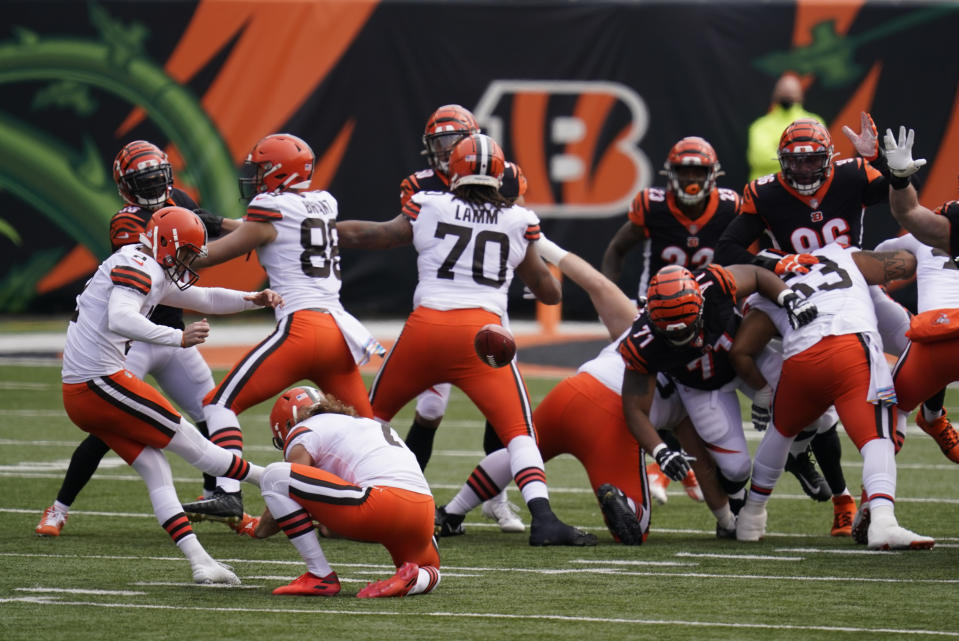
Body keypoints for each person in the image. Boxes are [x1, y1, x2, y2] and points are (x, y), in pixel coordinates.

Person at [337, 133, 596, 546]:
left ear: (453, 171)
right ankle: (543, 518)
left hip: (426, 329)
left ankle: (344, 505)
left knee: (372, 417)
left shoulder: (429, 203)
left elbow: (374, 236)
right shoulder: (517, 220)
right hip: (483, 337)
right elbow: (550, 293)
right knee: (519, 432)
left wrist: (317, 232)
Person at [436, 238, 739, 543]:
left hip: (574, 390)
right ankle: (621, 501)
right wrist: (727, 520)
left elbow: (595, 282)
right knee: (636, 529)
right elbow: (702, 465)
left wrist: (541, 243)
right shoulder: (695, 381)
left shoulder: (642, 327)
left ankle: (451, 512)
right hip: (613, 421)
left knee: (521, 452)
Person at [715, 116, 943, 518]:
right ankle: (776, 415)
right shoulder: (765, 194)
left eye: (811, 161)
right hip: (791, 290)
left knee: (920, 341)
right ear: (782, 162)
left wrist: (890, 168)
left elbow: (897, 197)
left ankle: (922, 416)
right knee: (749, 353)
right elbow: (728, 248)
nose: (803, 170)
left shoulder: (851, 174)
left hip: (849, 284)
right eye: (795, 162)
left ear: (828, 159)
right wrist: (776, 262)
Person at [57, 206, 281, 583]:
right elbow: (120, 318)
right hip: (99, 383)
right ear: (166, 243)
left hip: (85, 390)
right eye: (187, 253)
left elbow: (205, 298)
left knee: (156, 468)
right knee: (196, 446)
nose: (190, 261)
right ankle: (273, 480)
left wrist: (251, 299)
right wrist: (178, 337)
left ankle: (201, 562)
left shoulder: (150, 264)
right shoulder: (138, 265)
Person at [35, 140, 241, 538]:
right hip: (137, 338)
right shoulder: (125, 224)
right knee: (107, 430)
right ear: (127, 187)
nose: (151, 187)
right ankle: (59, 507)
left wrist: (252, 227)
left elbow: (208, 220)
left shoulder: (177, 199)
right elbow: (182, 259)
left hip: (174, 333)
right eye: (142, 181)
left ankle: (221, 499)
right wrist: (249, 239)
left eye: (155, 178)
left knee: (208, 414)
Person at [177, 133, 384, 525]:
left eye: (259, 169)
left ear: (275, 171)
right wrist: (221, 222)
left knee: (219, 404)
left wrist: (174, 245)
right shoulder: (323, 202)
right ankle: (384, 498)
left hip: (302, 330)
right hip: (339, 332)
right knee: (367, 429)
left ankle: (228, 492)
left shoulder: (269, 208)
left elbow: (209, 257)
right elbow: (275, 231)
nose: (254, 178)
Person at [732, 242, 934, 550]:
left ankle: (752, 516)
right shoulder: (840, 254)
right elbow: (899, 265)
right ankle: (882, 520)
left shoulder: (768, 288)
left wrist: (762, 390)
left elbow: (742, 350)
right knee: (876, 438)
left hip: (802, 360)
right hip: (851, 347)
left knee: (780, 432)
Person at [399, 104, 525, 533]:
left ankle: (497, 498)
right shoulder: (419, 187)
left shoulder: (503, 176)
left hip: (489, 305)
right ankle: (409, 492)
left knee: (500, 407)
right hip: (443, 299)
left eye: (455, 141)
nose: (448, 150)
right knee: (431, 407)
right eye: (440, 143)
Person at [616, 261, 818, 521]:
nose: (683, 340)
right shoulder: (642, 342)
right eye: (672, 335)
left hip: (747, 357)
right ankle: (736, 506)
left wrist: (789, 298)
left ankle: (799, 455)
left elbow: (757, 275)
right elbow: (634, 408)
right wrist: (661, 451)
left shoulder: (713, 284)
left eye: (688, 330)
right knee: (736, 469)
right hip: (702, 387)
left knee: (811, 400)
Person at [602, 136, 737, 505]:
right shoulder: (652, 205)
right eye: (684, 170)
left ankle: (682, 468)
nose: (691, 177)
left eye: (698, 170)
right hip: (656, 313)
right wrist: (612, 299)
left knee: (701, 387)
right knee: (649, 390)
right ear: (670, 174)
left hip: (708, 314)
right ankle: (661, 467)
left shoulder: (729, 207)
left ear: (713, 175)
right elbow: (616, 250)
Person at [247, 386, 440, 598]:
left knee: (274, 476)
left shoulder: (303, 431)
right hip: (423, 513)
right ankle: (414, 581)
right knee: (430, 567)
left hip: (381, 504)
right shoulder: (366, 424)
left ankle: (320, 575)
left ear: (287, 424)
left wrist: (253, 527)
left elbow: (279, 502)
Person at [878, 124, 959, 463]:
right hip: (937, 334)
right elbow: (876, 263)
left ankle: (932, 414)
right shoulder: (935, 235)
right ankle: (874, 507)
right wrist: (898, 179)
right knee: (884, 424)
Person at [747, 72, 824, 180]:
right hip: (767, 190)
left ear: (801, 94)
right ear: (775, 94)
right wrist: (801, 155)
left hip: (805, 187)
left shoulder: (814, 122)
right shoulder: (760, 126)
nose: (787, 93)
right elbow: (760, 159)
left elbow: (820, 158)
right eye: (783, 90)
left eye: (792, 90)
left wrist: (780, 151)